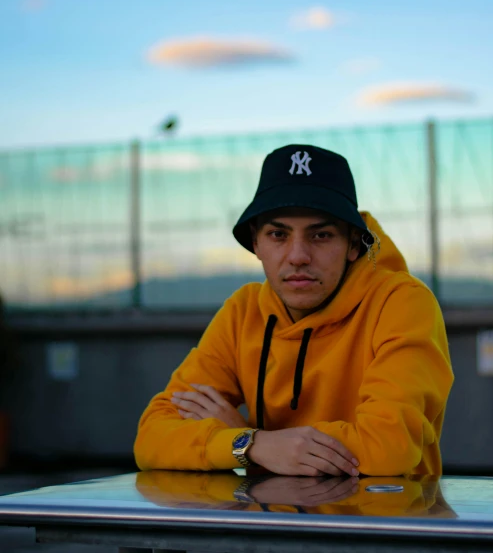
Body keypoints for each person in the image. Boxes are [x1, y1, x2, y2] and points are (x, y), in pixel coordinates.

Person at [135, 144, 453, 477]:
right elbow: (151, 437)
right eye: (278, 234)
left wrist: (254, 442)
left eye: (321, 235)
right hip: (275, 523)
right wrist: (252, 445)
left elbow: (387, 449)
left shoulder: (402, 303)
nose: (298, 255)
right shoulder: (243, 312)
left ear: (354, 244)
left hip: (386, 522)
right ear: (256, 244)